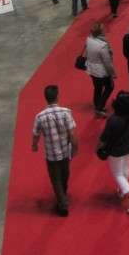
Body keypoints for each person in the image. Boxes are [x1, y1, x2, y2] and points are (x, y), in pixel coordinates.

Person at [32, 85, 77, 217]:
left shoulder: (40, 117)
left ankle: (62, 203)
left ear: (46, 98)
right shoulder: (66, 112)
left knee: (55, 178)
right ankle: (63, 196)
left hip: (51, 154)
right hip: (65, 151)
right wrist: (75, 148)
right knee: (65, 174)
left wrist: (34, 145)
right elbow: (72, 133)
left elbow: (35, 134)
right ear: (57, 96)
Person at [98, 91, 129, 214]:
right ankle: (122, 191)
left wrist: (98, 147)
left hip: (116, 151)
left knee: (117, 174)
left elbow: (104, 137)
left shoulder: (113, 120)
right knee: (126, 168)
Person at [86, 22, 116, 118]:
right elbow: (107, 62)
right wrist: (113, 73)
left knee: (97, 88)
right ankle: (99, 107)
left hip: (91, 69)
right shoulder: (103, 45)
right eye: (103, 29)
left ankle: (97, 104)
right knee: (110, 87)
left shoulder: (89, 39)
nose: (105, 30)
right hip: (101, 72)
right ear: (100, 32)